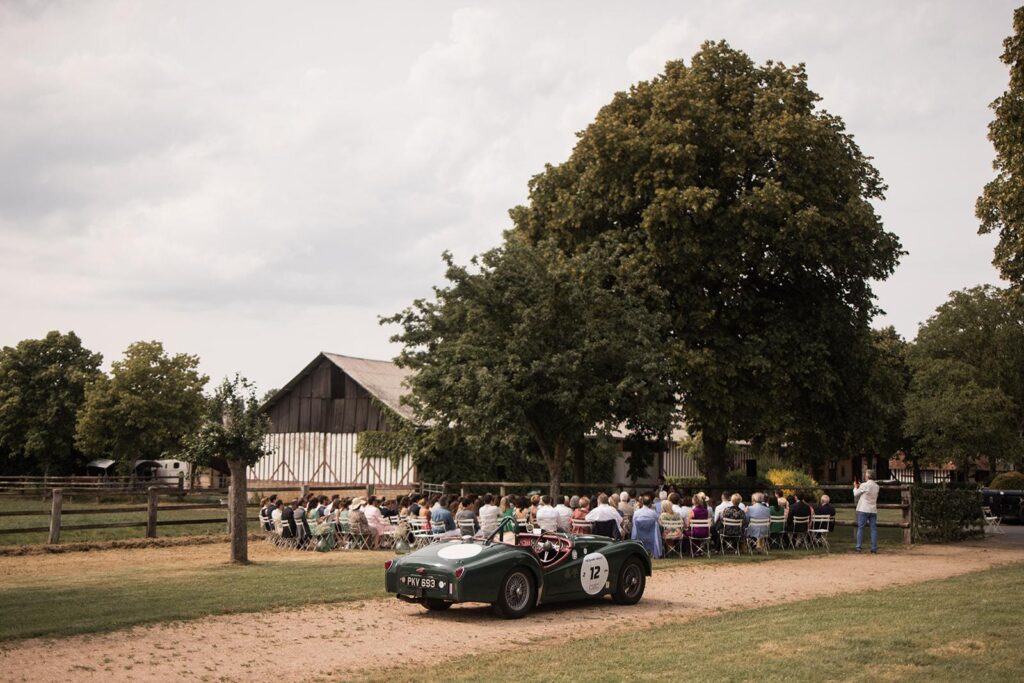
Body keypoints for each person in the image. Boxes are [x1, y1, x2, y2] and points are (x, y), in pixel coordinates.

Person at [854, 470, 880, 553]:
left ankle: (858, 547)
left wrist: (855, 486)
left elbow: (856, 494)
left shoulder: (864, 485)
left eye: (865, 475)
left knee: (861, 528)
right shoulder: (877, 486)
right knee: (873, 529)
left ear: (868, 476)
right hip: (873, 509)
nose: (865, 476)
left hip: (864, 509)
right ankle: (873, 548)